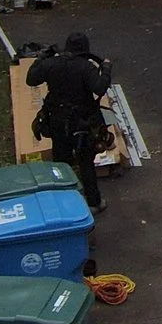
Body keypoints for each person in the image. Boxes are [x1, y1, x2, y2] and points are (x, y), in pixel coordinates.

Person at [27, 31, 114, 209]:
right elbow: (100, 88)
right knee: (85, 163)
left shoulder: (51, 64)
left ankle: (63, 203)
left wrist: (40, 59)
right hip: (82, 123)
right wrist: (105, 70)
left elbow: (31, 79)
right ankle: (94, 202)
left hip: (57, 121)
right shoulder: (85, 67)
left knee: (60, 162)